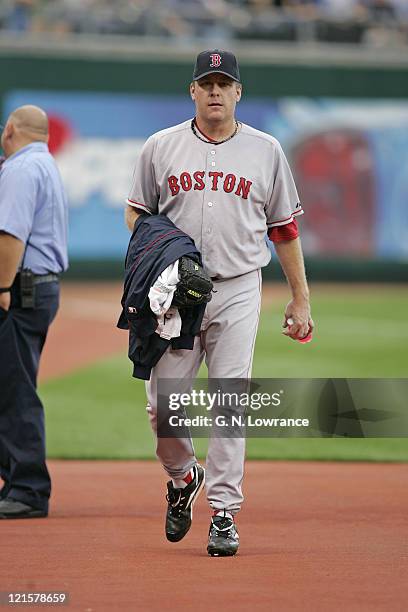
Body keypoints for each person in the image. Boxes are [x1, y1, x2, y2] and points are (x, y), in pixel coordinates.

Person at [124, 49, 313, 556]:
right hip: (176, 295)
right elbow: (137, 214)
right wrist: (162, 259)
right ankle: (184, 478)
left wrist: (300, 298)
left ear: (237, 92)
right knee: (163, 410)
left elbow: (285, 228)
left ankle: (224, 512)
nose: (214, 90)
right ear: (192, 91)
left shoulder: (266, 149)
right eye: (205, 82)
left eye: (222, 82)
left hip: (238, 287)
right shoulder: (160, 147)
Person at [0, 105, 68, 519]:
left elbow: (10, 234)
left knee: (15, 390)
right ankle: (18, 481)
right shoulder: (42, 163)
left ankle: (27, 489)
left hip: (22, 288)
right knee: (11, 385)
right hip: (38, 288)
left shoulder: (22, 170)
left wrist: (1, 286)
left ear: (10, 129)